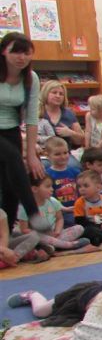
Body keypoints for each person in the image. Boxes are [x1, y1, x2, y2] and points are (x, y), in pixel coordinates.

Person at [0, 32, 45, 233]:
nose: (22, 57)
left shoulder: (30, 78)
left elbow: (32, 118)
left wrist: (32, 153)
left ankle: (6, 236)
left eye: (26, 53)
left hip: (12, 131)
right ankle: (33, 212)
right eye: (16, 52)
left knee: (10, 187)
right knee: (13, 157)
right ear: (3, 51)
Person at [16, 175, 89, 252]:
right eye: (48, 186)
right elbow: (24, 230)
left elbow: (59, 219)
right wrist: (44, 234)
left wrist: (57, 231)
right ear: (35, 189)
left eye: (51, 186)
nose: (52, 189)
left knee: (79, 228)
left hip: (55, 235)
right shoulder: (25, 207)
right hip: (40, 237)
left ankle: (52, 246)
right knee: (36, 236)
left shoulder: (53, 201)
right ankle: (69, 245)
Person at [38, 79, 84, 156]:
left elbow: (81, 140)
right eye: (54, 92)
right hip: (42, 154)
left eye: (61, 94)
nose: (58, 96)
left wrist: (71, 133)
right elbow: (24, 135)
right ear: (45, 93)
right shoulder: (36, 112)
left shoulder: (69, 114)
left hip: (64, 155)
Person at [42, 137, 80, 227]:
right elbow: (48, 197)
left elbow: (82, 190)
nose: (63, 157)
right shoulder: (47, 175)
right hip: (59, 211)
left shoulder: (75, 172)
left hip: (77, 208)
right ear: (47, 155)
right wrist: (63, 209)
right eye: (57, 154)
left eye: (65, 153)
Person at [83, 94, 102, 158]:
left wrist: (94, 151)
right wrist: (87, 146)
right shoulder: (89, 115)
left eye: (93, 109)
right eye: (90, 108)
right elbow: (88, 131)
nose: (90, 110)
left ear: (101, 111)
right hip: (92, 149)